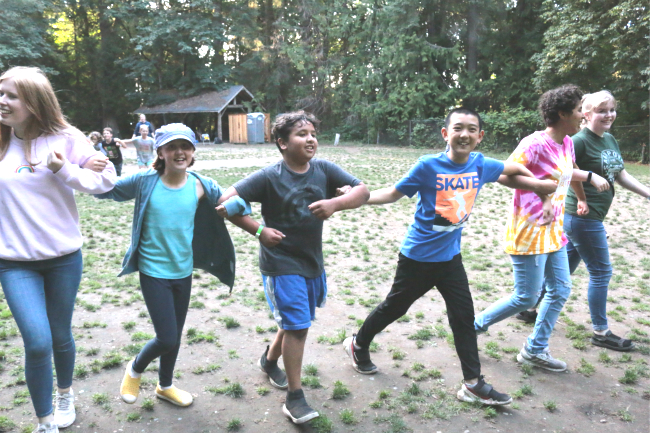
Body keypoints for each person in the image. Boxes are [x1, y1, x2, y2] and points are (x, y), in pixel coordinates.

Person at [342, 107, 556, 407]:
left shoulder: (481, 164)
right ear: (446, 134)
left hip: (450, 260)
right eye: (458, 128)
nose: (464, 134)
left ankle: (473, 384)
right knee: (394, 307)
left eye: (471, 129)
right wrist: (356, 199)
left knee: (463, 318)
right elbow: (392, 193)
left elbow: (515, 169)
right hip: (417, 258)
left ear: (480, 136)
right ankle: (358, 343)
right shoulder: (428, 166)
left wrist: (543, 194)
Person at [216, 111, 370, 424]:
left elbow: (363, 191)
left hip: (311, 260)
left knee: (293, 321)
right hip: (280, 262)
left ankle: (268, 361)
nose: (310, 139)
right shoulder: (268, 176)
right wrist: (259, 230)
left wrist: (335, 203)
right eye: (302, 134)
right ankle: (294, 397)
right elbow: (225, 201)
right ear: (282, 143)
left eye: (313, 133)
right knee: (298, 325)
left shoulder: (324, 169)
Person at [94, 123, 250, 408]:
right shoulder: (145, 181)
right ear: (160, 152)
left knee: (174, 336)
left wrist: (232, 207)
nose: (180, 152)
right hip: (153, 272)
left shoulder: (201, 184)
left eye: (185, 147)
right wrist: (82, 171)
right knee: (166, 337)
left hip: (183, 271)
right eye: (172, 147)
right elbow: (107, 190)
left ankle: (165, 386)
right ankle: (135, 368)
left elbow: (238, 203)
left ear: (193, 151)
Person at [0, 66, 116, 433]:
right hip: (13, 262)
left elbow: (106, 181)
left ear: (34, 102)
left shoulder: (66, 138)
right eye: (0, 93)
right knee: (37, 342)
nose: (2, 101)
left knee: (60, 333)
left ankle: (65, 393)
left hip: (64, 259)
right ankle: (45, 422)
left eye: (11, 95)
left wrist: (66, 170)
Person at [473, 85, 610, 372]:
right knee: (526, 296)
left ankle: (535, 349)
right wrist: (539, 188)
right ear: (562, 114)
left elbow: (568, 170)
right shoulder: (534, 143)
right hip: (529, 229)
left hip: (553, 230)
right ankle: (472, 327)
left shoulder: (567, 143)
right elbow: (503, 175)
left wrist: (583, 193)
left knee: (560, 289)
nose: (583, 116)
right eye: (578, 111)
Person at [518, 91, 650, 351]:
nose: (609, 115)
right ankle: (601, 331)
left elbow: (620, 174)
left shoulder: (609, 139)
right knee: (601, 272)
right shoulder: (578, 141)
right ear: (586, 114)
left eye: (611, 109)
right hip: (582, 218)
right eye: (601, 111)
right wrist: (575, 199)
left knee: (565, 267)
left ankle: (530, 308)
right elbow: (565, 173)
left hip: (588, 217)